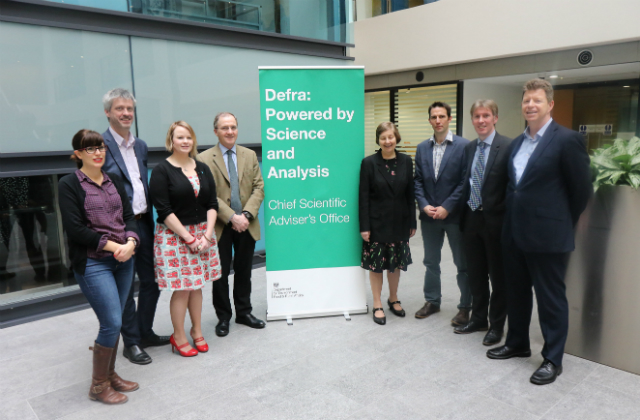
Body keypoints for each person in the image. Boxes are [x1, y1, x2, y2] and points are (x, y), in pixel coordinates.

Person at [486, 79, 592, 385]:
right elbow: (514, 187)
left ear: (550, 105)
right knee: (516, 294)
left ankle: (552, 358)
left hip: (548, 237)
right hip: (515, 234)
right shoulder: (518, 143)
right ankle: (517, 343)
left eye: (537, 100)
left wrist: (560, 223)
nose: (530, 105)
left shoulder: (567, 140)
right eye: (526, 101)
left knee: (550, 299)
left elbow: (580, 190)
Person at [58, 129, 140, 404]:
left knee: (114, 322)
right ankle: (98, 386)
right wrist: (114, 246)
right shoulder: (69, 184)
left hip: (123, 260)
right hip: (94, 263)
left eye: (101, 147)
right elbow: (76, 229)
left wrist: (130, 241)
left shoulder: (113, 179)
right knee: (112, 322)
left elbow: (128, 216)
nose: (98, 153)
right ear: (78, 154)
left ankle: (110, 374)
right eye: (90, 149)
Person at [101, 88, 170, 365]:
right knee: (127, 287)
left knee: (153, 281)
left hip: (145, 223)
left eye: (129, 108)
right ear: (108, 112)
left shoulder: (140, 145)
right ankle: (131, 342)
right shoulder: (101, 145)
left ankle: (144, 331)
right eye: (120, 109)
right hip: (120, 229)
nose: (126, 113)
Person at [149, 121, 221, 357]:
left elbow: (212, 203)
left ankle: (197, 331)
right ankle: (178, 335)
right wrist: (189, 239)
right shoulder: (162, 171)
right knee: (182, 289)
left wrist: (207, 235)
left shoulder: (202, 167)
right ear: (171, 141)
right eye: (180, 137)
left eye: (188, 137)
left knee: (197, 286)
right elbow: (164, 210)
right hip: (174, 237)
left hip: (203, 234)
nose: (185, 141)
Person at [197, 112, 265, 337]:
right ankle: (223, 317)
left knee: (245, 270)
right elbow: (207, 194)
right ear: (216, 131)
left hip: (246, 223)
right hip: (219, 225)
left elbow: (259, 187)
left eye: (233, 127)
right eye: (224, 128)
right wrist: (231, 217)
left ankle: (244, 312)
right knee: (220, 273)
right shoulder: (204, 158)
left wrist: (245, 215)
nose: (230, 131)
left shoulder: (249, 155)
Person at [454, 100, 512, 346]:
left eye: (486, 115)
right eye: (477, 116)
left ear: (495, 118)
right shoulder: (469, 149)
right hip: (471, 221)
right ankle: (479, 319)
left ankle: (496, 325)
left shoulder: (508, 146)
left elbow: (512, 186)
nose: (481, 120)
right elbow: (464, 183)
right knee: (476, 275)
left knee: (498, 278)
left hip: (496, 224)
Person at [414, 102, 470, 326]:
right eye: (434, 116)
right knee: (430, 261)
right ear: (429, 120)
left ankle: (465, 306)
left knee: (462, 263)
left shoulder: (464, 146)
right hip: (429, 217)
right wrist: (424, 205)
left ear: (449, 119)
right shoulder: (421, 148)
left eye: (442, 116)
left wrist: (448, 206)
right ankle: (432, 301)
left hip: (454, 216)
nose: (438, 120)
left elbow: (464, 181)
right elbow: (417, 181)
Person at [359, 122, 416, 325]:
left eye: (390, 137)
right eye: (383, 138)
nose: (387, 141)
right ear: (378, 140)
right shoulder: (369, 163)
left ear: (396, 138)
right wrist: (364, 227)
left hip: (399, 223)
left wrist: (412, 221)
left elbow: (411, 194)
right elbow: (363, 197)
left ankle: (393, 298)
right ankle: (377, 304)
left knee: (395, 265)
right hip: (376, 224)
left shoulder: (406, 161)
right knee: (376, 266)